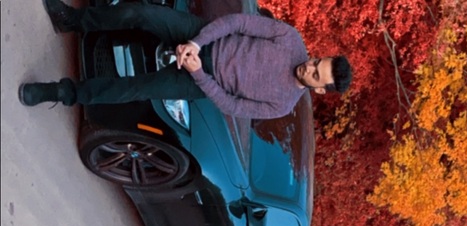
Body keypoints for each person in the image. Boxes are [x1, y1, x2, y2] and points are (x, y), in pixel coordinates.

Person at [19, 0, 352, 119]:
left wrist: (198, 72)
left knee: (135, 88)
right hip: (204, 35)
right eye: (316, 61)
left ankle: (61, 92)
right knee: (141, 14)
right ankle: (73, 21)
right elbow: (238, 23)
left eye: (315, 74)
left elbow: (232, 106)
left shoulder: (280, 104)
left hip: (202, 81)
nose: (309, 66)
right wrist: (195, 42)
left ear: (319, 90)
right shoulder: (290, 39)